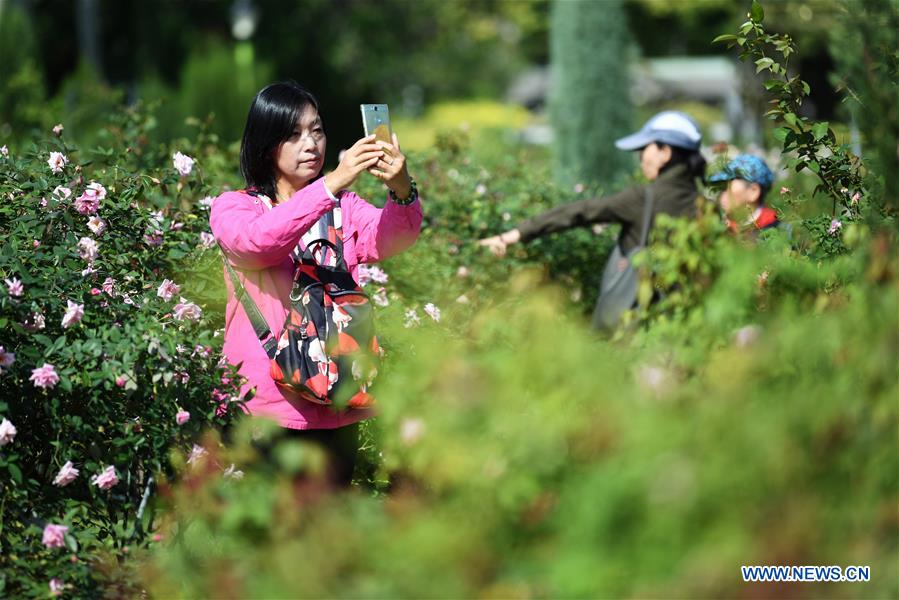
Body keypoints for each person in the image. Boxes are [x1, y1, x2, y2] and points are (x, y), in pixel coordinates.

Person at [210, 81, 422, 485]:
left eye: (317, 130)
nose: (310, 144)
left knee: (329, 524)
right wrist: (331, 185)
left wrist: (401, 188)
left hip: (336, 404)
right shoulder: (235, 207)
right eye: (293, 134)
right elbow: (258, 243)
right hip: (262, 408)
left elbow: (393, 237)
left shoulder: (344, 208)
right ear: (266, 144)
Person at [478, 111, 705, 329]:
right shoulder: (705, 208)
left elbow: (581, 211)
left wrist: (515, 235)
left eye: (644, 148)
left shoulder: (643, 199)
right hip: (685, 323)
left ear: (665, 153)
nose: (640, 158)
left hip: (635, 326)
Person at [708, 154, 780, 234]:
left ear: (753, 191)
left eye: (726, 186)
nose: (721, 192)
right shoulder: (717, 226)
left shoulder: (777, 230)